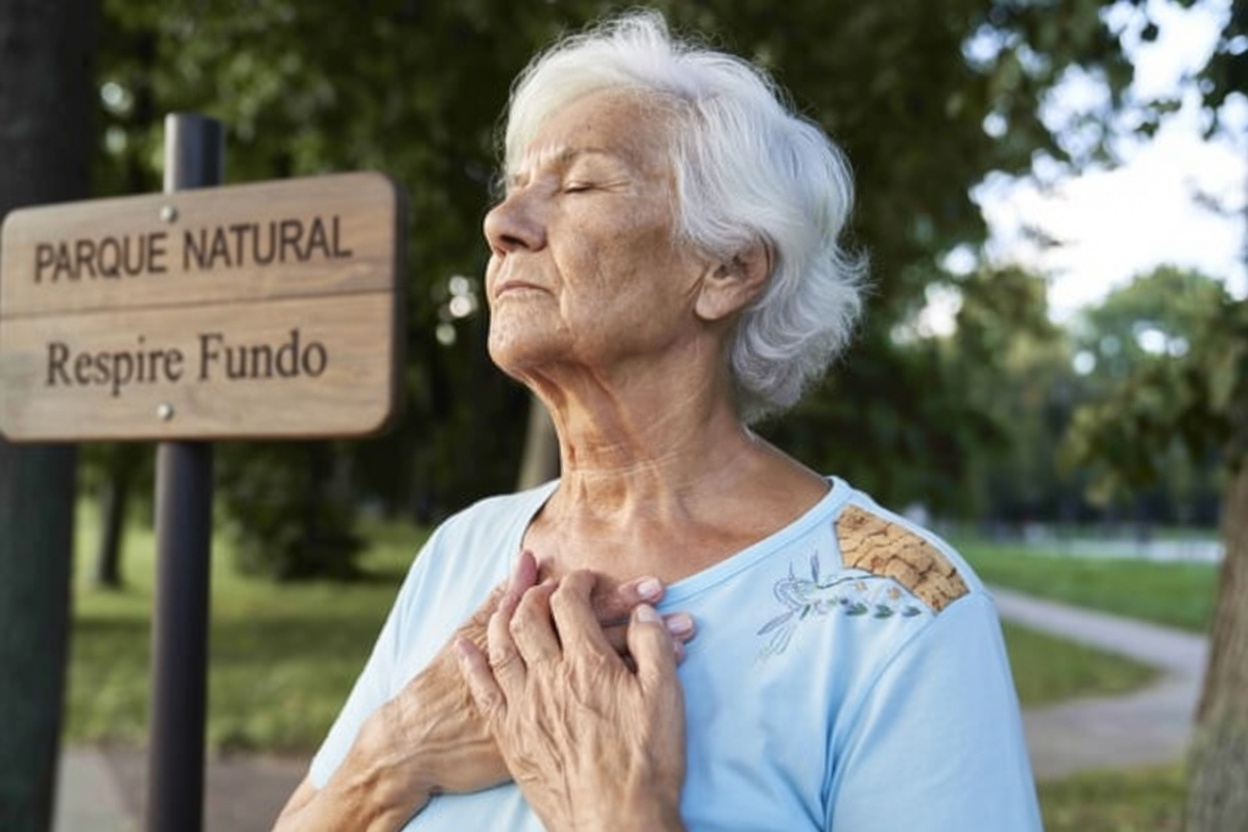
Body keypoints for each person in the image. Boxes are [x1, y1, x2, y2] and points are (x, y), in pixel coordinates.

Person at [275, 10, 1042, 831]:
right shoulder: (464, 549)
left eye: (578, 186)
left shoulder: (900, 609)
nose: (503, 225)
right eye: (513, 190)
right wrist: (392, 757)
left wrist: (621, 814)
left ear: (728, 268)